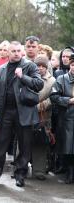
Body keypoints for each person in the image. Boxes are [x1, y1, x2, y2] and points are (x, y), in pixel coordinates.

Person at [0, 41, 43, 187]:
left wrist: (23, 77)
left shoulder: (30, 66)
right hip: (6, 112)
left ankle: (20, 175)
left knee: (24, 146)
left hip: (24, 112)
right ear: (7, 53)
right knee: (0, 145)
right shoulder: (2, 69)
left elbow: (39, 84)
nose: (16, 53)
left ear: (22, 52)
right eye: (13, 51)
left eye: (18, 51)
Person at [51, 54, 74, 184]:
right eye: (72, 64)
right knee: (68, 147)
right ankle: (69, 172)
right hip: (66, 119)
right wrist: (68, 100)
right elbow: (53, 96)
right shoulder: (61, 78)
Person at [32, 56, 55, 180]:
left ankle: (39, 170)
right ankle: (21, 168)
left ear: (46, 67)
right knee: (23, 143)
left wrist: (39, 106)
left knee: (40, 144)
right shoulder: (29, 77)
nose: (40, 68)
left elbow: (53, 98)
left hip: (43, 117)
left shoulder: (52, 81)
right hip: (27, 116)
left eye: (43, 66)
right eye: (38, 65)